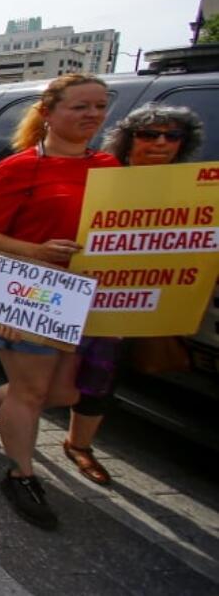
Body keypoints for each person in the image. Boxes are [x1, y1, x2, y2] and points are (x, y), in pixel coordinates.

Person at [0, 74, 120, 530]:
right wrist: (38, 252)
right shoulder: (18, 169)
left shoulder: (109, 168)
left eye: (99, 107)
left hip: (84, 300)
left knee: (63, 392)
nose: (92, 115)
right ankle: (21, 474)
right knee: (30, 392)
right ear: (48, 112)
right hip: (25, 294)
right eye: (79, 106)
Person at [62, 104, 202, 486]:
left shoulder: (196, 188)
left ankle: (80, 444)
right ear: (129, 139)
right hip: (74, 291)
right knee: (49, 379)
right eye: (149, 134)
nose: (160, 143)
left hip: (135, 299)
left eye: (171, 136)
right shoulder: (99, 174)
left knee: (102, 373)